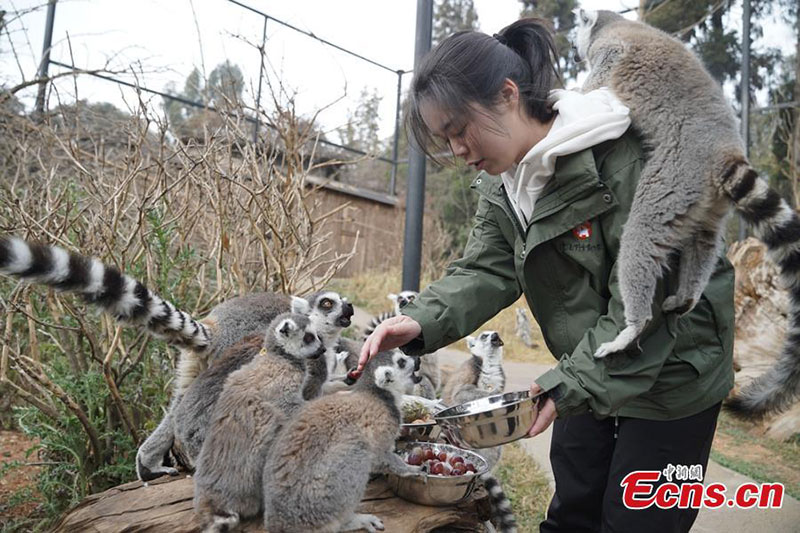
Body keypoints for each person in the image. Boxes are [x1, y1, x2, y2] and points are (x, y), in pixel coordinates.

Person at [357, 18, 735, 533]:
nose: (460, 151)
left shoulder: (627, 156)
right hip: (587, 360)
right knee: (571, 512)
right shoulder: (506, 182)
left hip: (675, 365)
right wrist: (419, 321)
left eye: (458, 130)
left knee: (638, 521)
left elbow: (643, 310)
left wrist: (569, 383)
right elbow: (486, 268)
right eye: (446, 141)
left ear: (508, 95)